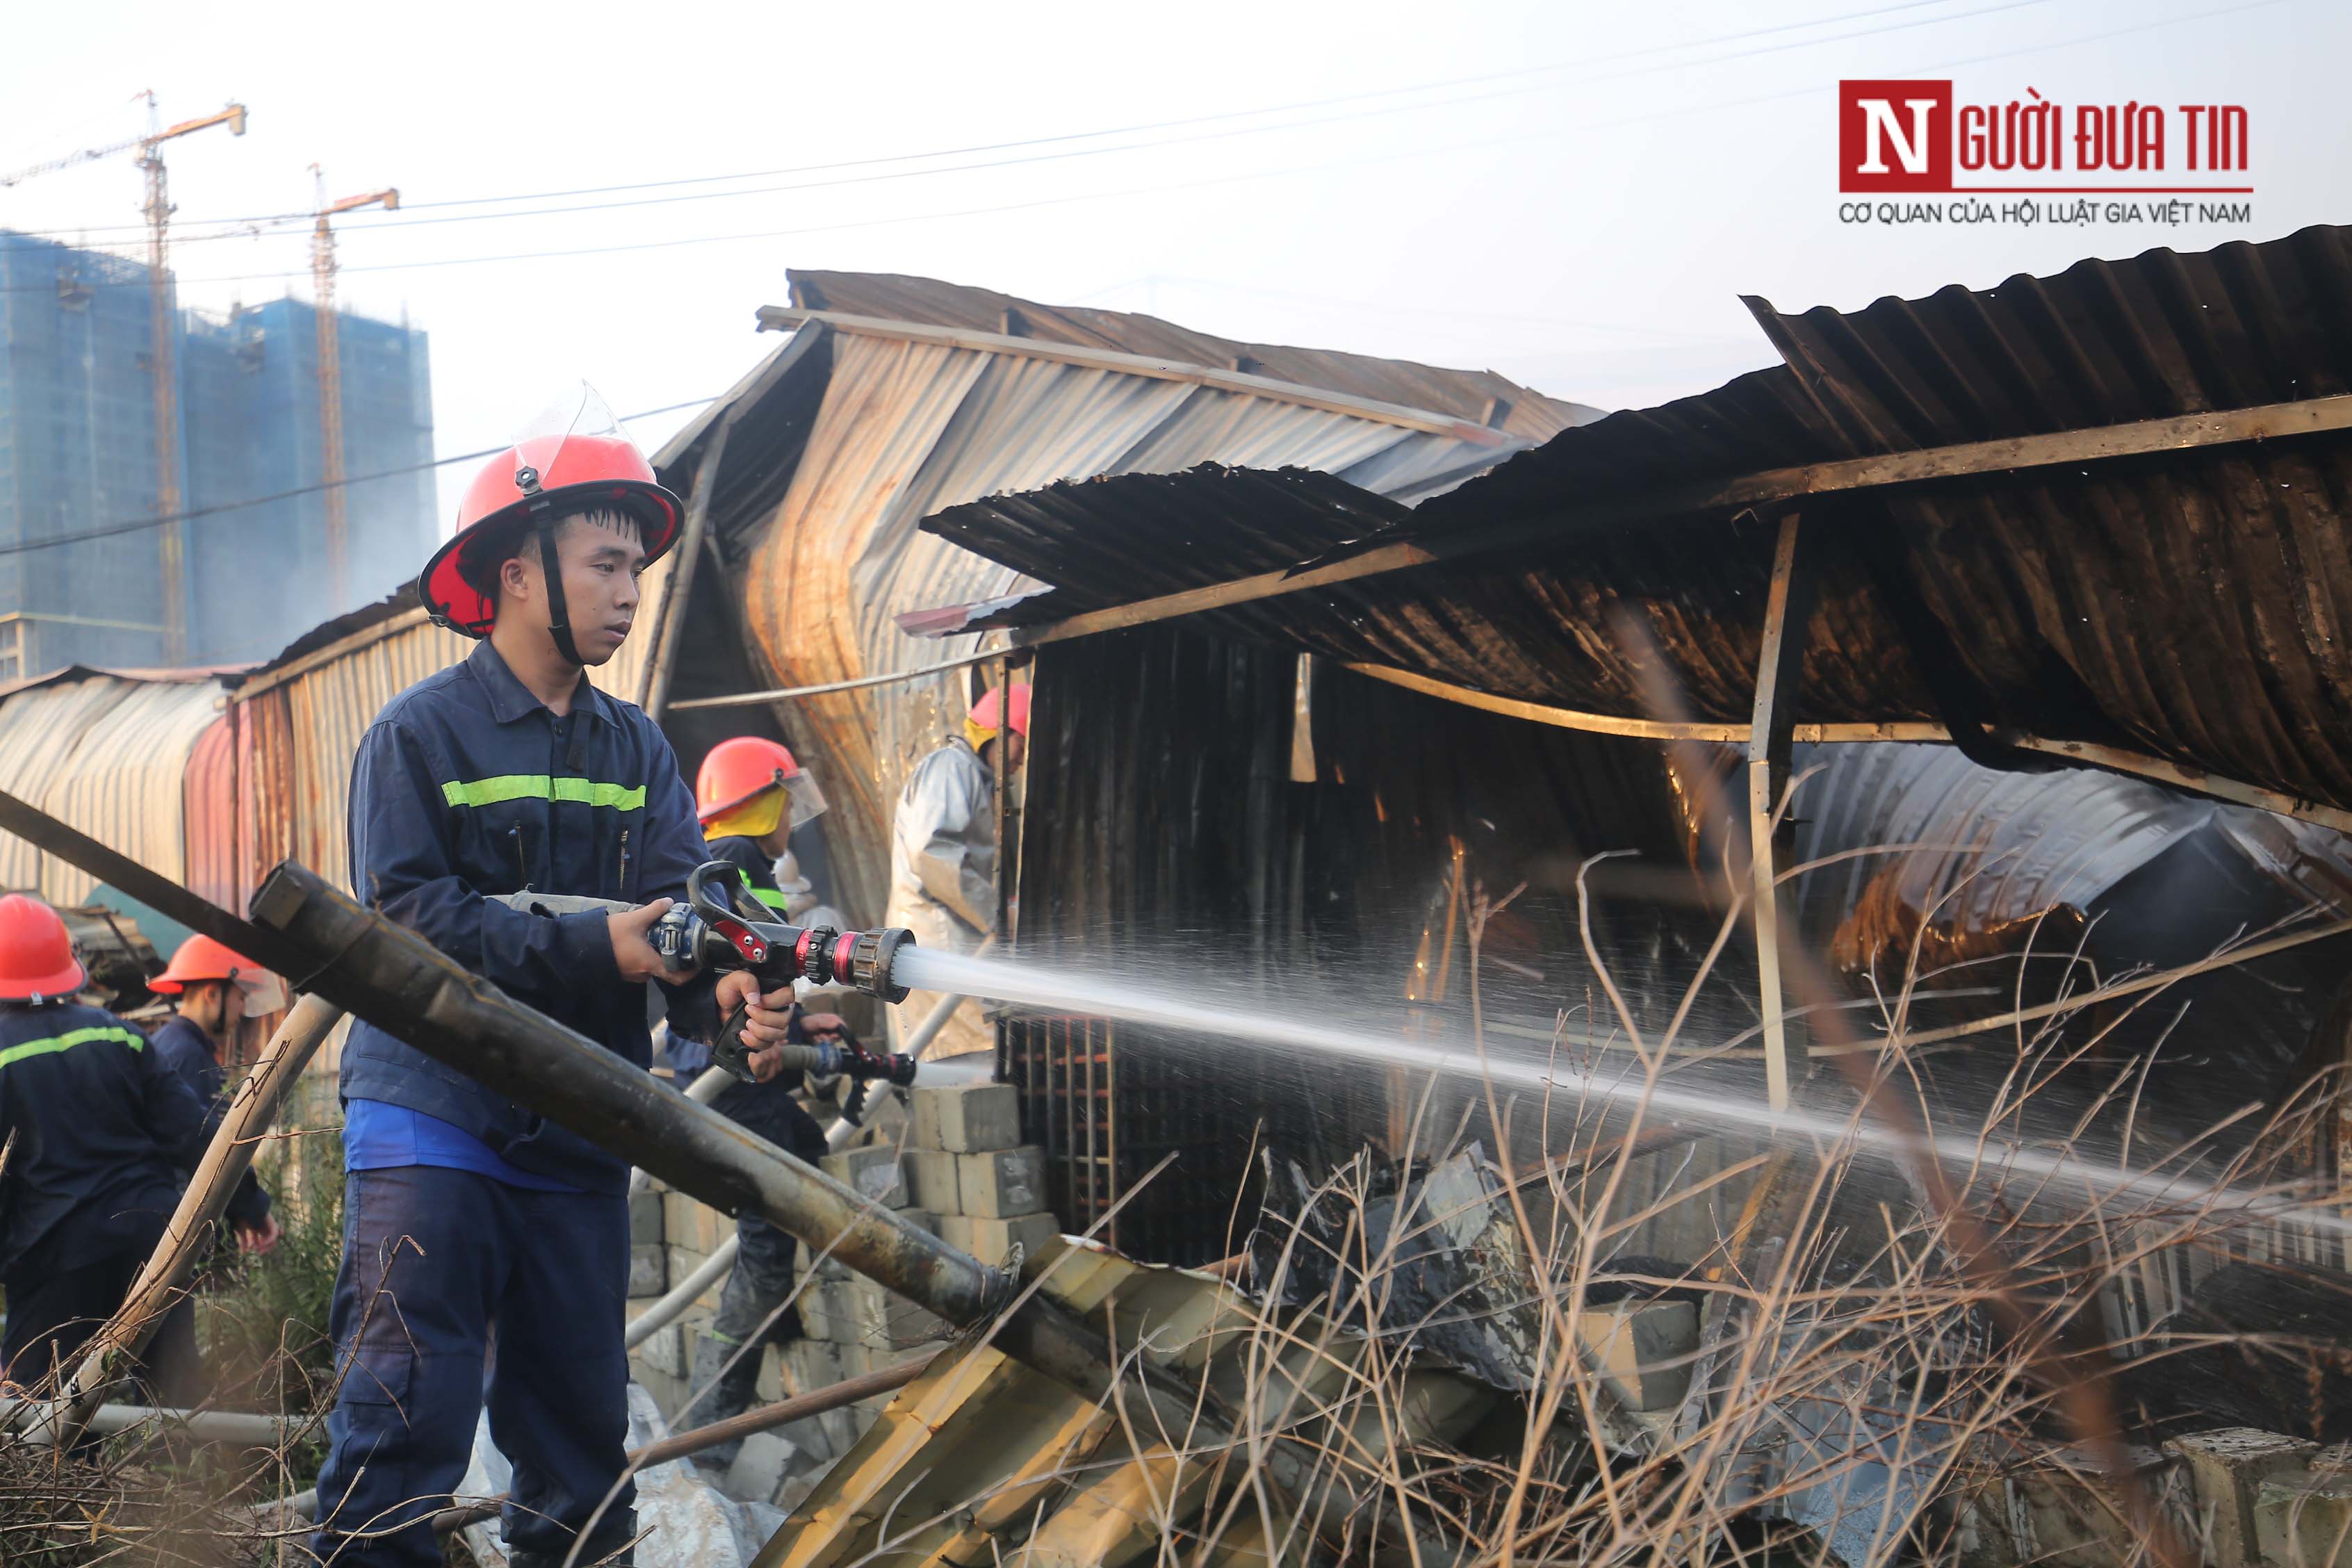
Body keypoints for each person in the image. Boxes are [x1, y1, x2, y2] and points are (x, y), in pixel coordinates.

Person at [310, 390, 799, 1568]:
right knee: (402, 1427)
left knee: (579, 1444)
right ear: (517, 573)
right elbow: (412, 923)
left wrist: (724, 1001)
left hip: (578, 1128)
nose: (630, 594)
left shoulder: (634, 748)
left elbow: (687, 920)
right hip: (433, 1117)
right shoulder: (420, 737)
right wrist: (601, 947)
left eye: (637, 571)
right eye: (605, 565)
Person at [673, 739, 844, 1467]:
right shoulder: (739, 862)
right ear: (767, 798)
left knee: (795, 1181)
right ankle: (711, 1433)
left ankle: (773, 1324)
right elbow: (746, 976)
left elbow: (756, 972)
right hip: (731, 1084)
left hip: (736, 1076)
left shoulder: (733, 864)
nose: (792, 821)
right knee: (770, 1242)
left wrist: (804, 1026)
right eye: (787, 801)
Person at [0, 895, 210, 1406]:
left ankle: (75, 1482)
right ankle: (193, 1487)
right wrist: (252, 1207)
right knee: (173, 1407)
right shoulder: (123, 1035)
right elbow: (198, 1134)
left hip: (56, 1256)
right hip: (152, 1243)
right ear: (66, 969)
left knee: (40, 1417)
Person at [885, 683, 1027, 1061]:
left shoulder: (972, 776)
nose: (1023, 759)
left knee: (969, 1058)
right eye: (1022, 744)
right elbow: (931, 853)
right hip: (938, 946)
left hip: (949, 950)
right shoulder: (951, 768)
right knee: (968, 1064)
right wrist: (998, 915)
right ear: (1001, 730)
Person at [147, 935, 282, 1259]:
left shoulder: (172, 1045)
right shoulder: (188, 1058)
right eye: (239, 998)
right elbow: (207, 1147)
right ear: (212, 994)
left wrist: (236, 1212)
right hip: (169, 1224)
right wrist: (252, 1208)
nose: (242, 1010)